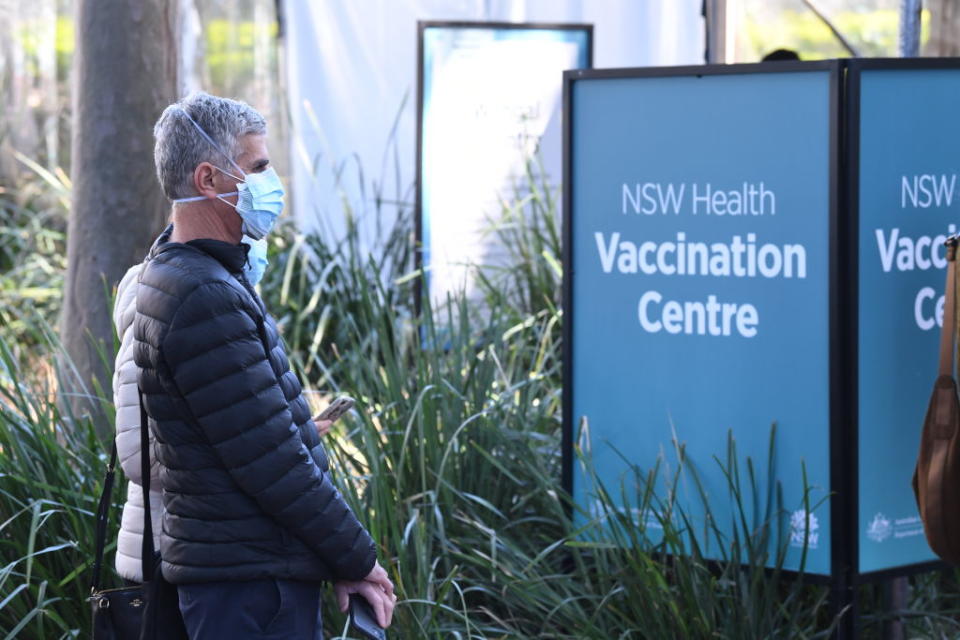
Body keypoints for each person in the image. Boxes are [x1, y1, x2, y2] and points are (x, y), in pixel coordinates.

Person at [132, 92, 395, 639]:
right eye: (258, 167)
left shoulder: (185, 272)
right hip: (250, 591)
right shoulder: (204, 294)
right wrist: (356, 559)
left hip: (240, 580)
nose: (271, 181)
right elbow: (273, 465)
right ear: (209, 179)